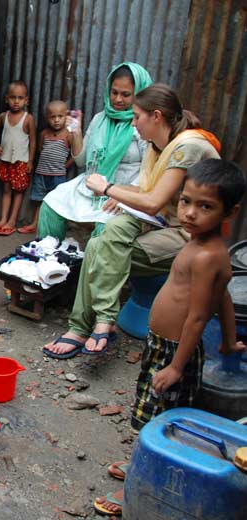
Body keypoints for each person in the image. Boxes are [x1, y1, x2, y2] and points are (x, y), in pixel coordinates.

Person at [93, 159, 247, 516]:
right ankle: (145, 466)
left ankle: (144, 483)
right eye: (185, 201)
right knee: (155, 409)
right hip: (163, 345)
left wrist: (176, 367)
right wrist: (227, 340)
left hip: (174, 351)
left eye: (205, 206)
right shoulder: (200, 245)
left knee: (159, 418)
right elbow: (222, 296)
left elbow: (196, 315)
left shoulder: (208, 255)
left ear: (230, 211)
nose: (190, 213)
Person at [43, 83, 222, 358]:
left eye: (137, 116)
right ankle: (93, 324)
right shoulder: (156, 146)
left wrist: (107, 189)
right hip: (159, 221)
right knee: (105, 236)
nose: (133, 122)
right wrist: (120, 191)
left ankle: (90, 325)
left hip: (188, 234)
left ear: (157, 117)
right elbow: (147, 192)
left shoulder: (186, 147)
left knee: (100, 247)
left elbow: (153, 201)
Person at [38, 63, 153, 239]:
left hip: (124, 191)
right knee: (51, 204)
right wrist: (76, 132)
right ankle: (48, 256)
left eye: (126, 94)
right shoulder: (100, 119)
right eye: (114, 92)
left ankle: (92, 266)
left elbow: (149, 170)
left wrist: (125, 194)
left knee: (106, 226)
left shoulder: (142, 124)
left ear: (140, 93)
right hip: (91, 186)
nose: (118, 99)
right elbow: (81, 162)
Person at [19, 100, 80, 234]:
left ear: (66, 117)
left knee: (57, 202)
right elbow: (41, 150)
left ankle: (58, 227)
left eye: (60, 117)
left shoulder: (68, 135)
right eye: (53, 117)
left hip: (58, 176)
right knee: (39, 200)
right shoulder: (44, 134)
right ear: (47, 118)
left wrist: (65, 166)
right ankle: (35, 223)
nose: (56, 120)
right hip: (41, 174)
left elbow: (75, 155)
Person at [0, 80, 37, 236]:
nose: (16, 101)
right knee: (6, 189)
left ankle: (12, 220)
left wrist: (30, 161)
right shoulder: (3, 117)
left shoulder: (28, 118)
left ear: (26, 100)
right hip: (5, 160)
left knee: (18, 191)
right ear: (6, 99)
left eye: (20, 98)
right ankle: (3, 219)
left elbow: (33, 141)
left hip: (20, 162)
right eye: (13, 97)